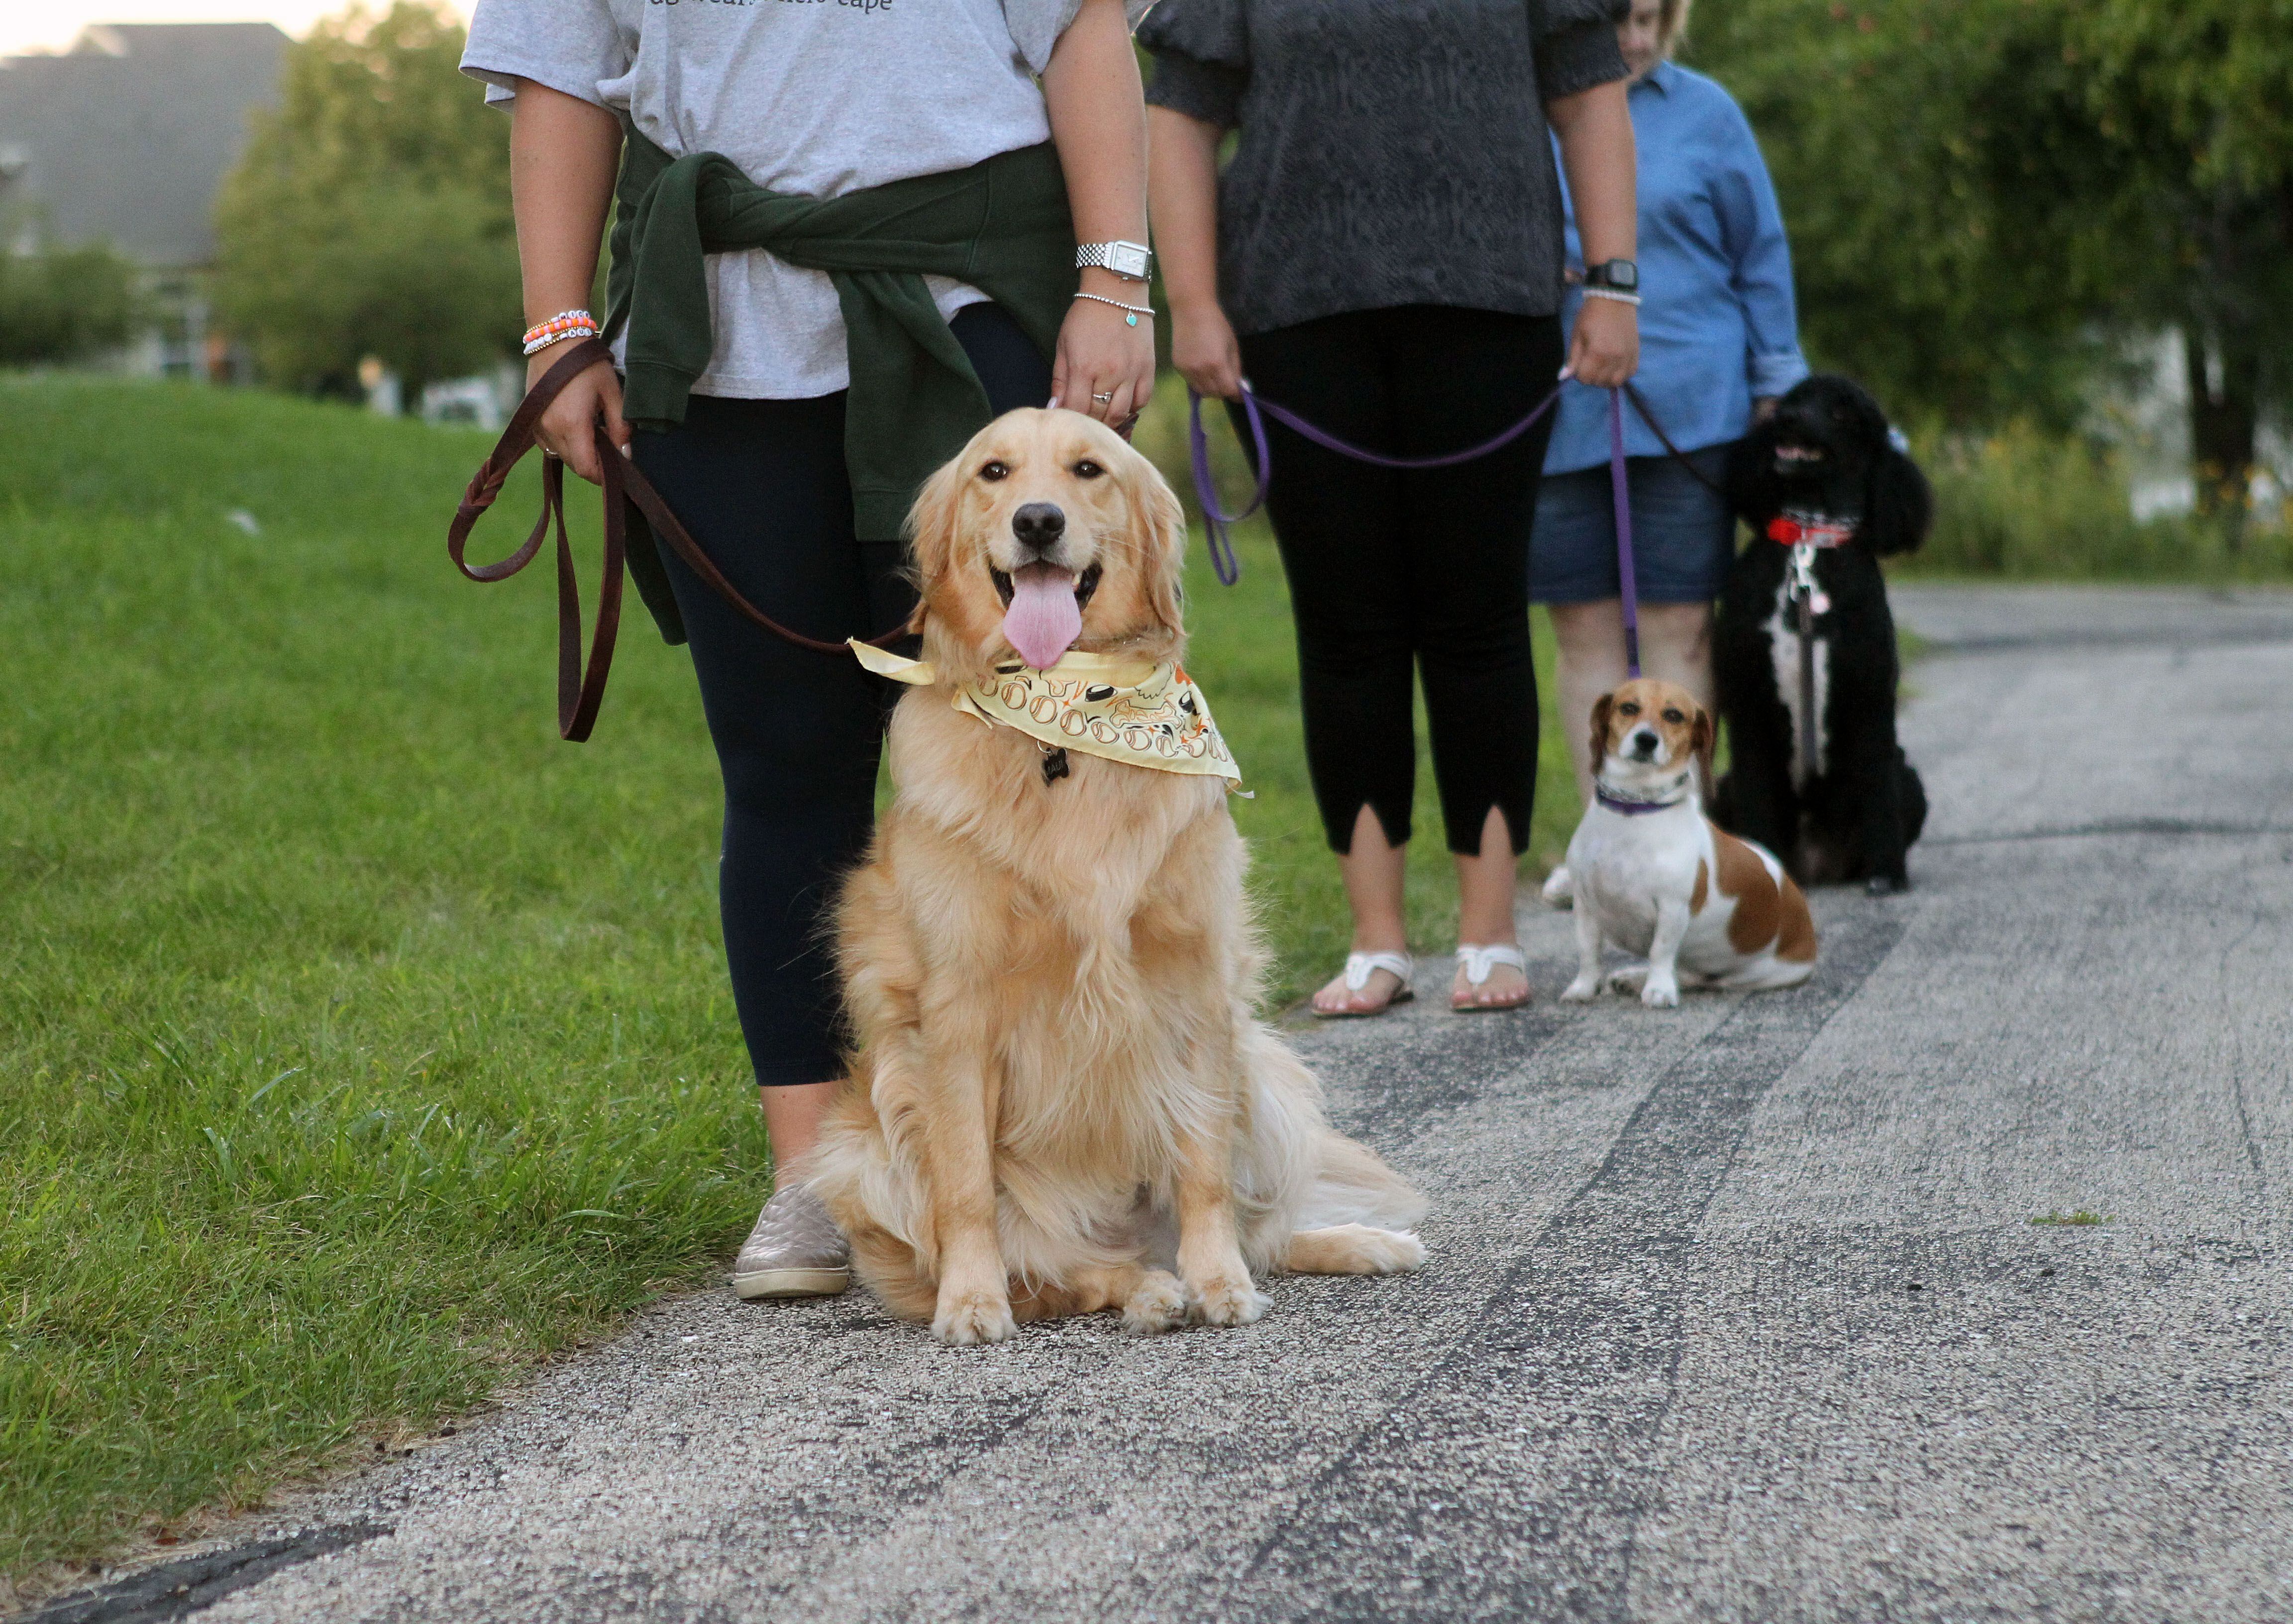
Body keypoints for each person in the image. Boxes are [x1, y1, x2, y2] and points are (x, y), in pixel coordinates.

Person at [460, 0, 1156, 1300]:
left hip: (976, 300)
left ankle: (1086, 1150)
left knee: (1052, 745)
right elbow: (559, 70)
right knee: (784, 756)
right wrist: (559, 333)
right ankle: (821, 1181)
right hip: (725, 334)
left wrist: (1114, 278)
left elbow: (1084, 24)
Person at [1144, 0, 1640, 1017]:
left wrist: (1614, 284)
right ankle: (1378, 944)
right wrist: (1191, 302)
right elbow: (1180, 114)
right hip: (1292, 314)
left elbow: (1591, 97)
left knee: (1478, 617)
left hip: (1492, 304)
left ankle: (1489, 936)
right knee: (1346, 627)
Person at [1533, 0, 1808, 906]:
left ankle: (1682, 847)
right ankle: (1603, 849)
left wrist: (1778, 383)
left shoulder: (1710, 114)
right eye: (1618, 18)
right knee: (1582, 633)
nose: (1637, 39)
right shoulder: (1523, 107)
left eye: (1652, 17)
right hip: (1558, 409)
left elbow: (1761, 256)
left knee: (1680, 629)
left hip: (1695, 410)